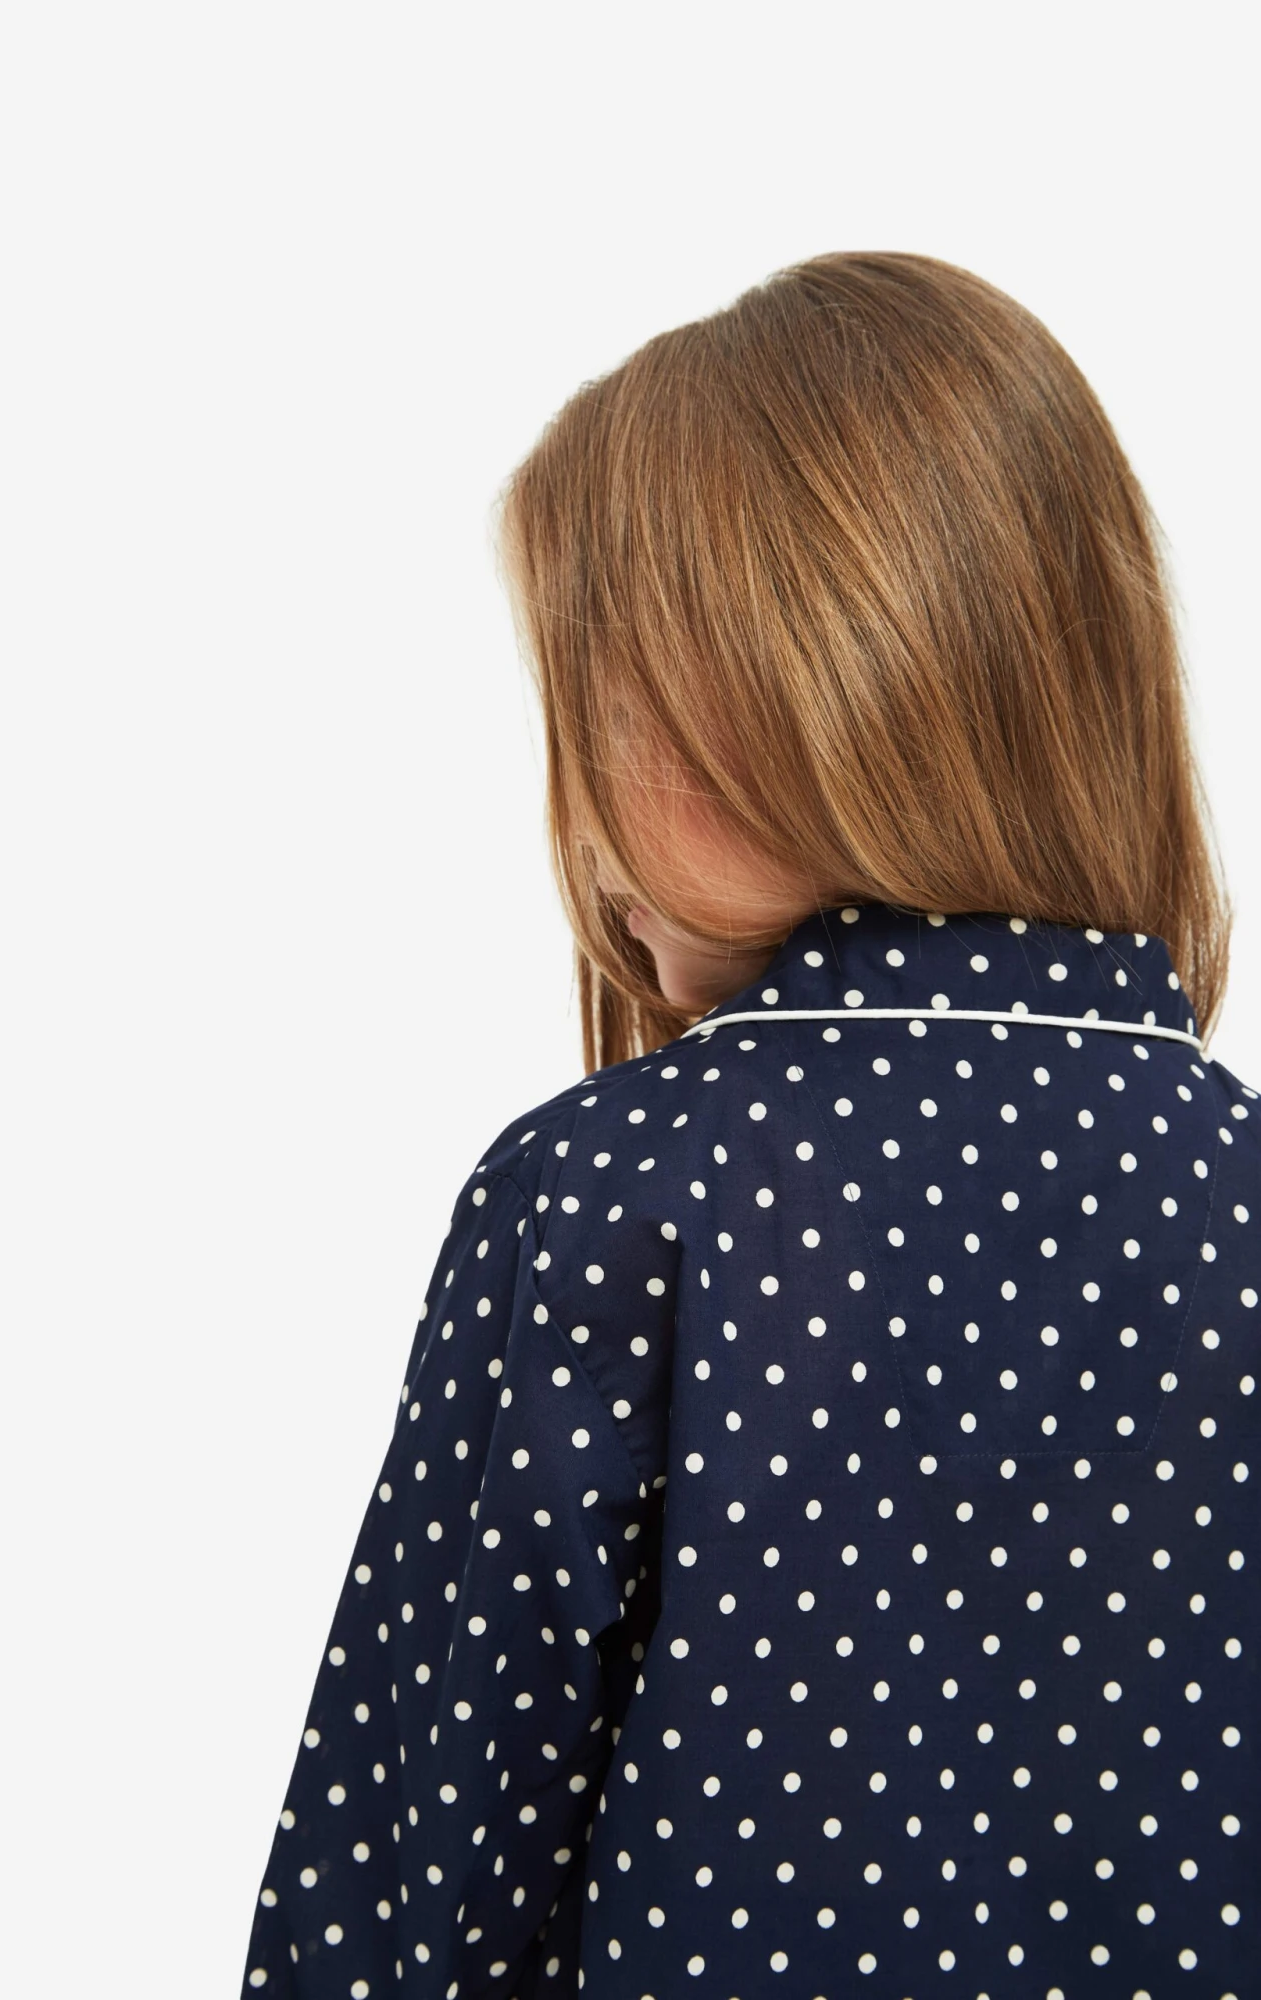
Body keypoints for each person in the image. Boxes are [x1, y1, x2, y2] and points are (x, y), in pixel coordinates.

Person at [238, 253, 1257, 1999]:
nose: (578, 822)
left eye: (594, 710)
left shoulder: (614, 1198)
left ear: (792, 710)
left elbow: (416, 1894)